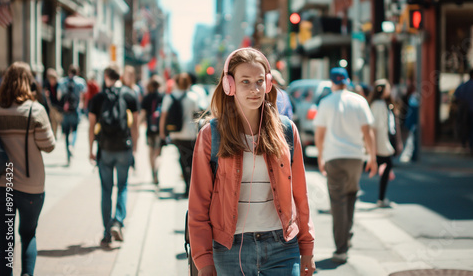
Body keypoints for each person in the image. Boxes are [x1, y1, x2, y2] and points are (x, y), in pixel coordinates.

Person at [188, 48, 315, 276]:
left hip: (282, 248)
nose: (255, 89)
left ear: (268, 84)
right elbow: (198, 205)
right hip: (228, 250)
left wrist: (307, 247)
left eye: (259, 81)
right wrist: (203, 261)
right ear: (230, 85)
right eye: (245, 81)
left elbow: (300, 195)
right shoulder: (211, 135)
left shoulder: (286, 130)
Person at [314, 67, 377, 264]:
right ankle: (346, 236)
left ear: (332, 82)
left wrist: (320, 157)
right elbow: (368, 132)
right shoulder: (359, 101)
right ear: (347, 81)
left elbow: (320, 134)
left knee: (338, 202)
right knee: (351, 196)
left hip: (334, 158)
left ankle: (341, 248)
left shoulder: (325, 102)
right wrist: (373, 158)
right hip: (355, 157)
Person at [0, 62, 56, 276]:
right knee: (28, 234)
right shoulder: (35, 110)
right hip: (31, 184)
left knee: (4, 240)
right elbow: (49, 146)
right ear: (28, 82)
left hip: (3, 183)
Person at [88, 64, 139, 248]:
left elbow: (91, 126)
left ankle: (106, 231)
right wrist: (135, 146)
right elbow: (135, 125)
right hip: (124, 148)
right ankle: (118, 222)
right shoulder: (130, 95)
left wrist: (90, 149)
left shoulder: (98, 98)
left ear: (107, 77)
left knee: (106, 190)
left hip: (105, 149)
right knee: (123, 186)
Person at [159, 73, 200, 196]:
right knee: (191, 160)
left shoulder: (168, 97)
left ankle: (187, 186)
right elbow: (197, 116)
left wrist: (162, 132)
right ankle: (192, 186)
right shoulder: (193, 97)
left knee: (182, 159)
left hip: (176, 134)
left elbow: (163, 116)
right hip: (190, 133)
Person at [368, 79, 401, 208]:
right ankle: (381, 199)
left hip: (382, 142)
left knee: (386, 166)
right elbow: (375, 127)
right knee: (387, 165)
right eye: (388, 87)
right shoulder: (378, 104)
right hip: (380, 143)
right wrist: (374, 147)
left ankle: (381, 198)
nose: (390, 90)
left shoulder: (383, 103)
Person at [59, 65, 86, 165]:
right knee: (74, 130)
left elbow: (59, 96)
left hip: (66, 111)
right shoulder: (80, 82)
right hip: (75, 110)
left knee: (66, 132)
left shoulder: (63, 81)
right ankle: (72, 145)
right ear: (77, 72)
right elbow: (82, 97)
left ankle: (67, 153)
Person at [140, 75, 164, 185]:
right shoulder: (163, 97)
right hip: (160, 129)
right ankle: (157, 171)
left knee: (150, 151)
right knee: (158, 152)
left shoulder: (147, 97)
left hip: (150, 128)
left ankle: (152, 172)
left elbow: (143, 115)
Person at [454, 69, 473, 155]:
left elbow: (456, 96)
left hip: (464, 110)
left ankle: (464, 142)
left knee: (464, 126)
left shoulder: (463, 85)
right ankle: (471, 145)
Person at [44, 68, 63, 139]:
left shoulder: (59, 85)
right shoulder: (47, 84)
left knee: (58, 120)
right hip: (52, 105)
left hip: (59, 106)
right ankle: (54, 134)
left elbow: (61, 96)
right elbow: (45, 91)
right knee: (53, 120)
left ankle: (60, 133)